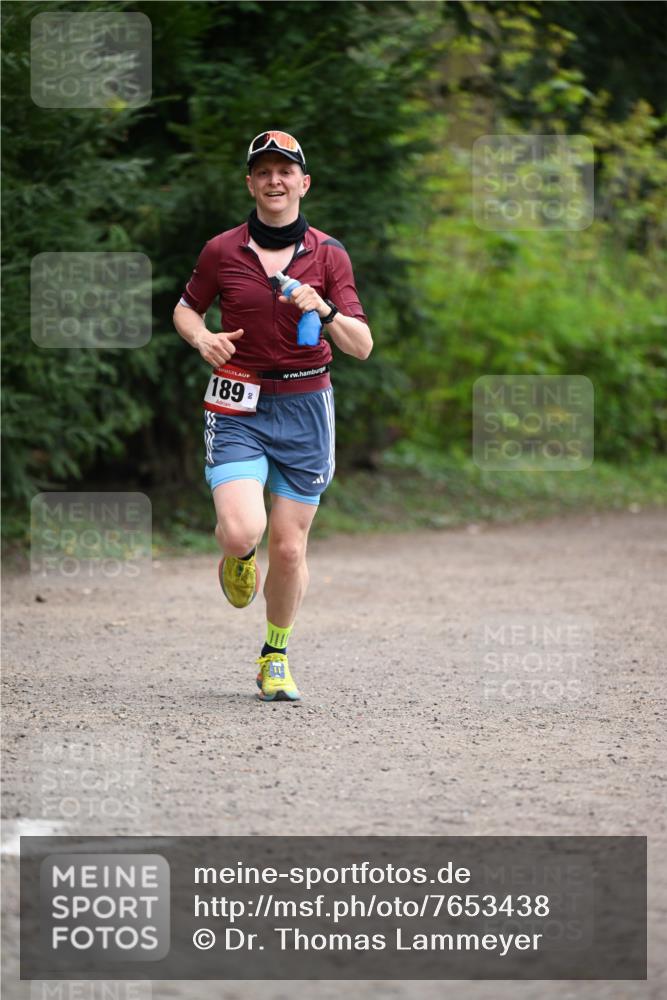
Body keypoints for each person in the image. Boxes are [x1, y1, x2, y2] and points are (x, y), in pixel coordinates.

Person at [173, 130, 372, 702]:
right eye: (264, 171)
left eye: (285, 171)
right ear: (250, 183)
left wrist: (325, 308)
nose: (275, 180)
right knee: (243, 530)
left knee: (288, 548)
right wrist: (201, 338)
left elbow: (361, 345)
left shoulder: (329, 254)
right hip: (238, 401)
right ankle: (237, 555)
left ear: (303, 183)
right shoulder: (221, 250)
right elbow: (187, 309)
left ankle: (275, 655)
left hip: (307, 407)